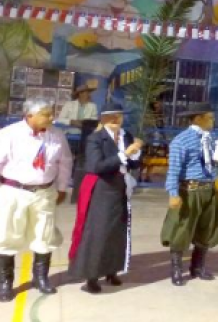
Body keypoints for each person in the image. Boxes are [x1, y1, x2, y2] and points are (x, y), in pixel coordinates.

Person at [0, 99, 73, 302]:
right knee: (7, 235)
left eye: (51, 114)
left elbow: (65, 162)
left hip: (44, 192)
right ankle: (5, 282)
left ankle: (40, 278)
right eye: (46, 114)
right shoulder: (9, 134)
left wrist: (61, 188)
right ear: (29, 115)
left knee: (44, 234)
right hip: (14, 191)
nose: (51, 118)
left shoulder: (57, 135)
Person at [68, 104, 143, 294]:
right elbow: (96, 166)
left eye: (119, 116)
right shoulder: (95, 138)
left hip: (121, 186)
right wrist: (124, 154)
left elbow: (133, 163)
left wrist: (136, 153)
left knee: (118, 231)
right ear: (104, 119)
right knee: (99, 232)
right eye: (113, 117)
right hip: (103, 188)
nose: (117, 120)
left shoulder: (126, 136)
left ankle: (112, 269)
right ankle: (91, 276)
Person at [161, 103, 218, 287]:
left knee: (207, 228)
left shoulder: (210, 138)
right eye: (210, 117)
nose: (213, 121)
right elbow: (173, 170)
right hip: (190, 190)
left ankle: (197, 267)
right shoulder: (181, 140)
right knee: (182, 228)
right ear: (198, 118)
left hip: (208, 188)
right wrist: (173, 193)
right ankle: (176, 269)